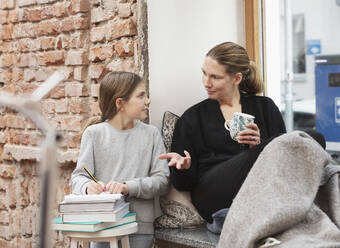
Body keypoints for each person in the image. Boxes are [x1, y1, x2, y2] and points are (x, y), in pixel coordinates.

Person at [159, 41, 287, 223]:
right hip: (212, 195)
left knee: (313, 139)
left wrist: (258, 145)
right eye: (204, 73)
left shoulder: (265, 107)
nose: (206, 82)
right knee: (265, 152)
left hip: (257, 189)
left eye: (215, 77)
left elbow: (284, 162)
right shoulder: (193, 117)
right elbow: (182, 184)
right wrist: (184, 168)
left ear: (237, 79)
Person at [70, 72, 169, 248]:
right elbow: (78, 178)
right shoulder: (93, 134)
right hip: (102, 228)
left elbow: (162, 181)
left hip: (139, 228)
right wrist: (87, 187)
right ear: (120, 103)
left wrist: (128, 187)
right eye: (140, 96)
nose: (147, 101)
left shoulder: (152, 134)